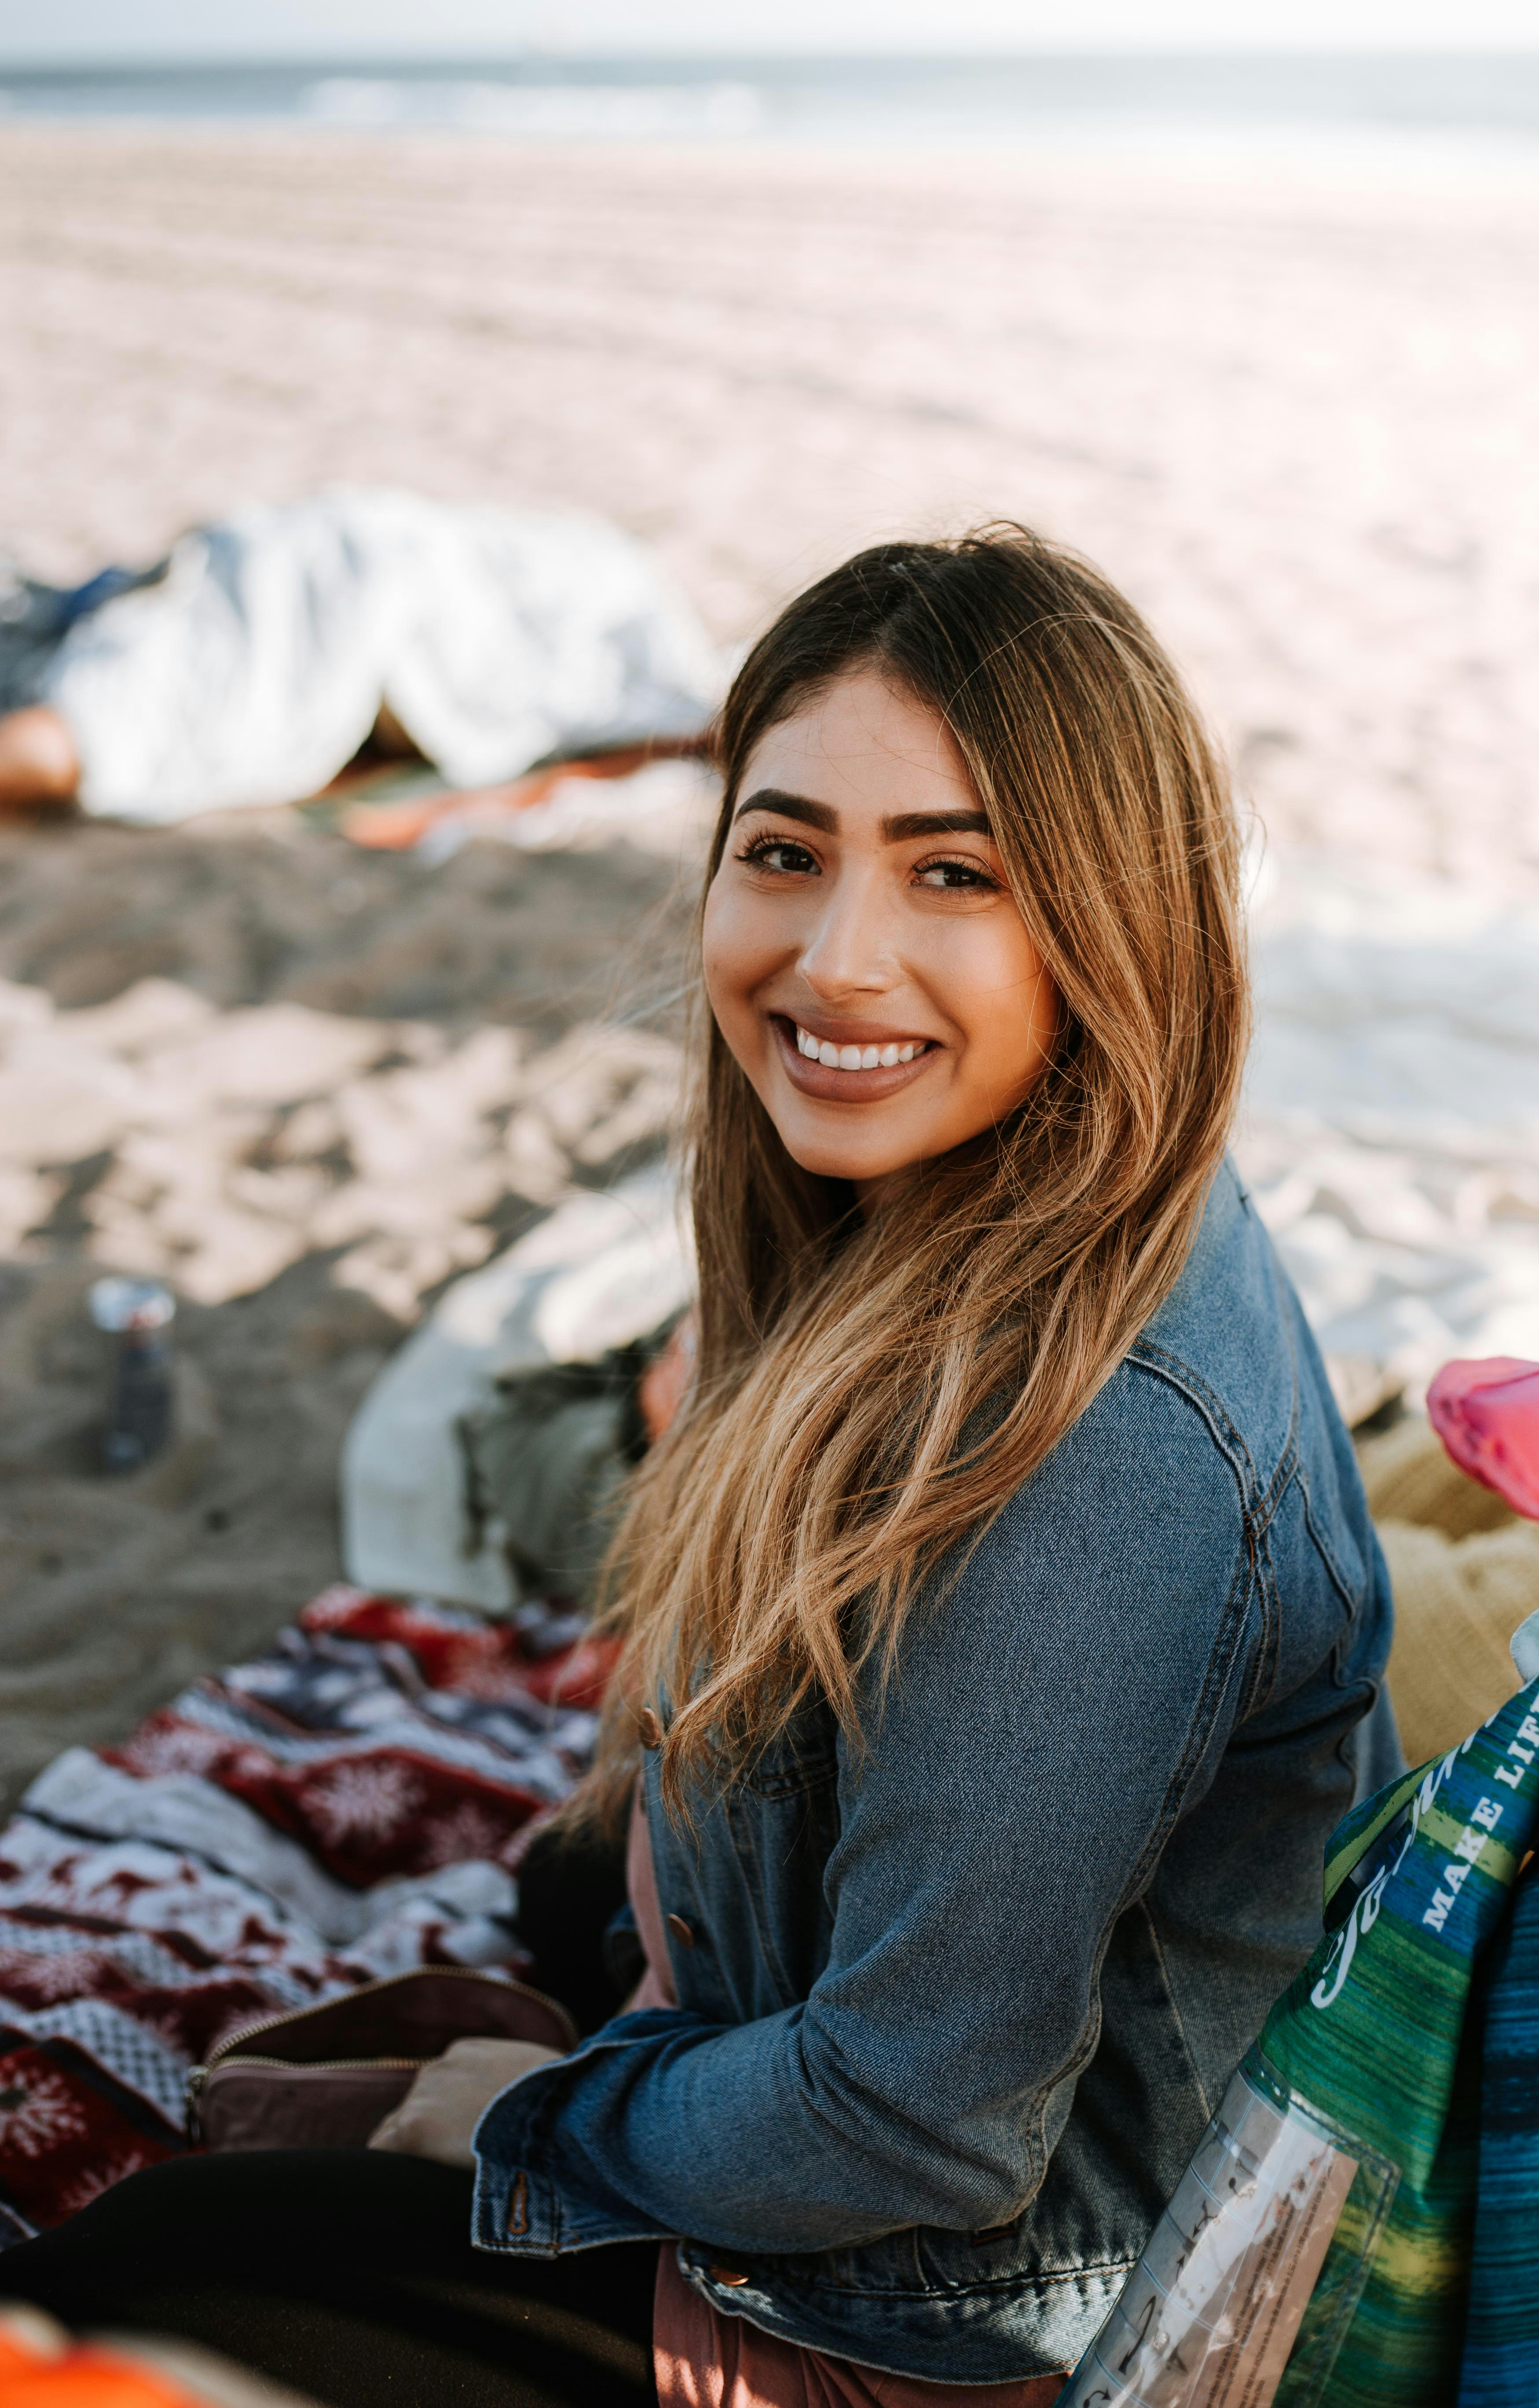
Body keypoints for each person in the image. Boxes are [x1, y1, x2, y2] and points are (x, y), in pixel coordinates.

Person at [4, 528, 1401, 2404]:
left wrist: (535, 2130)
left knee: (139, 2271)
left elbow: (915, 2131)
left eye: (955, 874)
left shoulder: (1098, 1454)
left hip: (934, 2322)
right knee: (316, 2091)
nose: (837, 960)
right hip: (772, 2045)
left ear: (1112, 919)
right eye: (786, 850)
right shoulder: (931, 1190)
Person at [0, 489, 724, 824]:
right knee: (102, 737)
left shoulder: (629, 580)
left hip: (326, 546)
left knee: (113, 678)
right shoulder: (676, 696)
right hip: (355, 604)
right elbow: (570, 778)